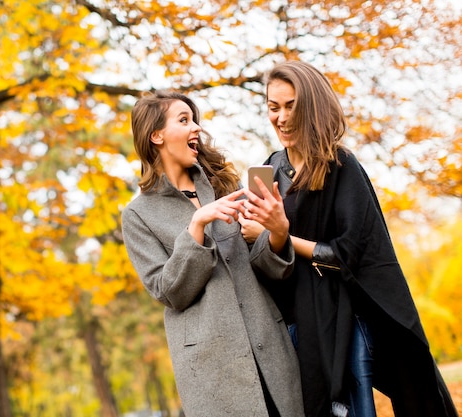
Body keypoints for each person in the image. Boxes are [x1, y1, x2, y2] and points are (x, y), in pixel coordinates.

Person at [240, 60, 458, 417]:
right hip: (292, 328)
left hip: (343, 324)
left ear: (310, 105)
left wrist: (282, 234)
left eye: (290, 106)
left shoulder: (339, 165)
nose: (280, 117)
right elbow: (264, 262)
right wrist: (264, 237)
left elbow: (348, 256)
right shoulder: (270, 170)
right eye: (273, 107)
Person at [121, 90, 306, 417]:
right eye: (184, 120)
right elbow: (169, 291)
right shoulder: (138, 215)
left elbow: (268, 268)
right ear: (156, 135)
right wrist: (196, 226)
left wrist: (276, 232)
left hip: (270, 348)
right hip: (212, 369)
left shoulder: (226, 185)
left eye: (195, 120)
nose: (196, 128)